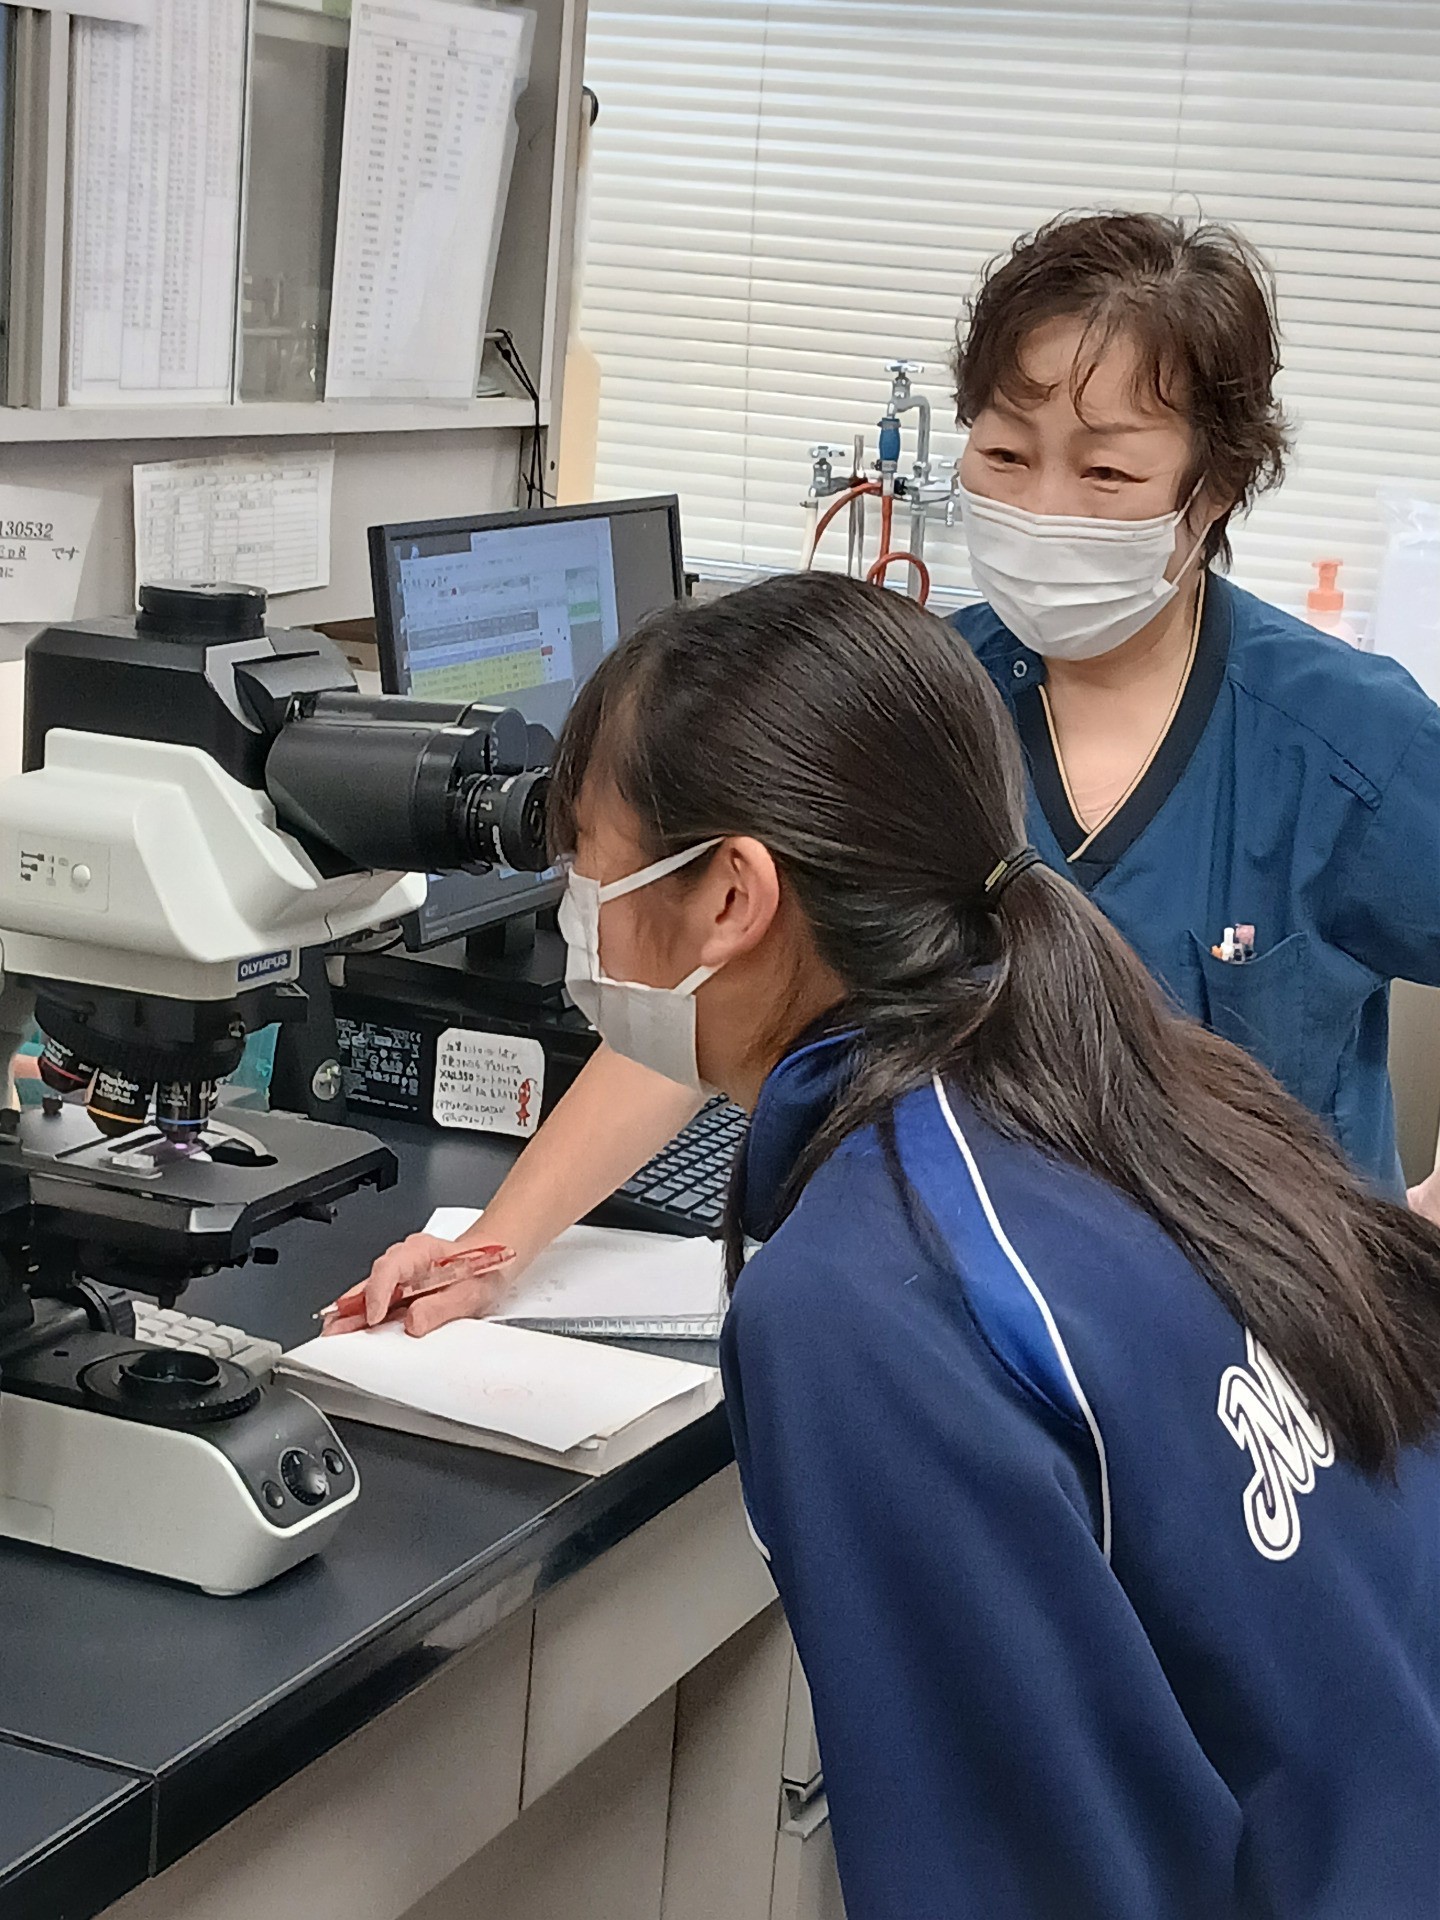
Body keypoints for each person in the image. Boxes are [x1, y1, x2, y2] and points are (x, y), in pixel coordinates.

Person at [507, 572, 1440, 1914]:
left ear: (730, 896)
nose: (574, 909)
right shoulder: (1127, 1090)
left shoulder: (870, 1303)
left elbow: (1016, 1877)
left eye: (588, 855)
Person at [351, 209, 1440, 1332]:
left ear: (1208, 494)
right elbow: (701, 985)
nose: (1042, 509)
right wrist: (493, 1244)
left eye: (1106, 472)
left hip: (1275, 1361)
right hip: (988, 1336)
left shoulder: (1345, 741)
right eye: (1006, 455)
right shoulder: (912, 700)